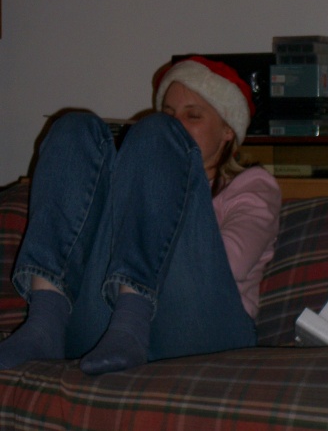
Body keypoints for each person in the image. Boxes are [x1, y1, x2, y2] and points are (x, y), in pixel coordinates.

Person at [0, 56, 281, 375]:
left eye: (193, 115)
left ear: (228, 130)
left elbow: (233, 264)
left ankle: (131, 319)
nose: (179, 124)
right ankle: (44, 324)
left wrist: (161, 201)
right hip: (102, 324)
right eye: (170, 113)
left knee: (156, 132)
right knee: (73, 128)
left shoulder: (253, 185)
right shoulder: (136, 181)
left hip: (204, 327)